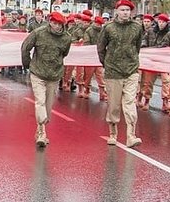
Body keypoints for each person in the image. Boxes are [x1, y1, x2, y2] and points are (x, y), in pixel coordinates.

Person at [97, 0, 143, 147]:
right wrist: (107, 64)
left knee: (130, 103)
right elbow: (101, 48)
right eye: (122, 10)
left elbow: (137, 46)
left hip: (131, 70)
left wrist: (133, 61)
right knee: (114, 105)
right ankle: (113, 132)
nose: (125, 13)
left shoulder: (137, 27)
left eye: (128, 10)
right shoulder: (108, 27)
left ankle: (131, 135)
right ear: (116, 11)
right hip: (113, 71)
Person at [21, 11, 72, 147]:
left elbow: (64, 53)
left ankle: (40, 129)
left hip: (54, 75)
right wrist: (28, 64)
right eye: (54, 23)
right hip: (38, 72)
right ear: (50, 22)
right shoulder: (39, 33)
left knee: (48, 105)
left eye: (59, 24)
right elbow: (25, 47)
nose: (56, 26)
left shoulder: (67, 38)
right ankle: (43, 133)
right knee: (40, 101)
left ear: (63, 25)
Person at [83, 16, 108, 101]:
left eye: (100, 24)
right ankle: (86, 89)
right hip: (90, 56)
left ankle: (102, 92)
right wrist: (90, 51)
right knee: (88, 75)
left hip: (99, 56)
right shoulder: (89, 31)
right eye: (97, 23)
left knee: (100, 75)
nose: (98, 25)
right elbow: (86, 42)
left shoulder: (103, 31)